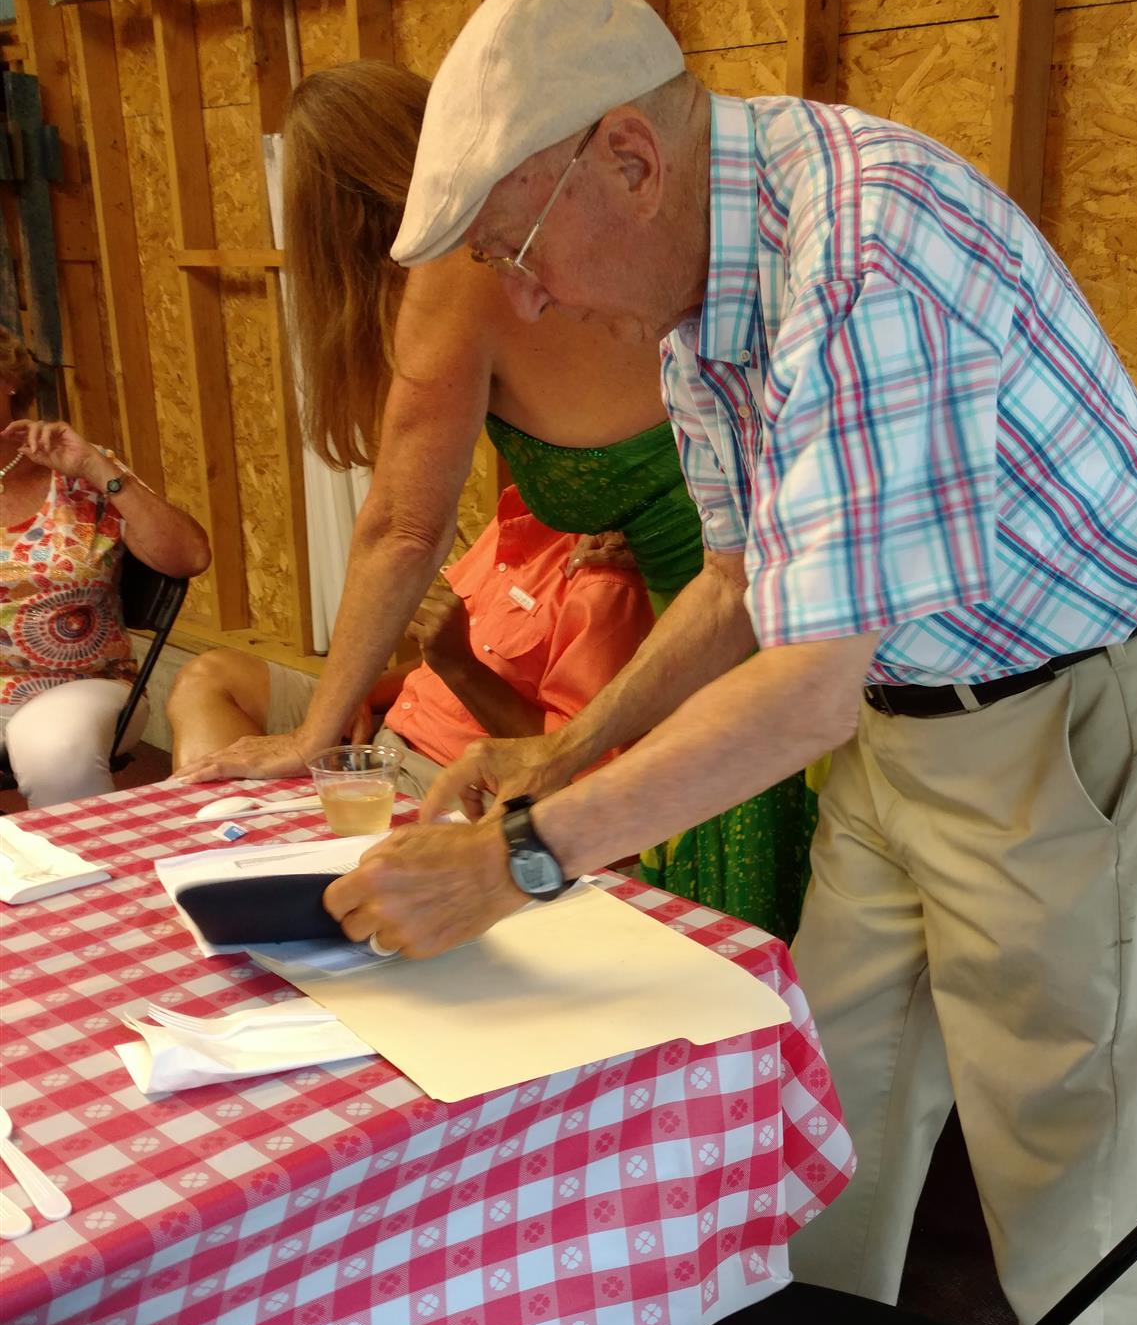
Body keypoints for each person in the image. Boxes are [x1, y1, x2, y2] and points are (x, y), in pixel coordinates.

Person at [324, 0, 1137, 1325]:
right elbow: (750, 577)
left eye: (524, 248)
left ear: (627, 158)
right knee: (830, 1108)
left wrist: (523, 861)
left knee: (1079, 1168)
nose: (529, 296)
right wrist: (564, 747)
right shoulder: (699, 294)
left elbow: (807, 684)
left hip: (1071, 709)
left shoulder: (863, 256)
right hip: (907, 708)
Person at [173, 61, 817, 942]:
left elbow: (404, 528)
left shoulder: (460, 273)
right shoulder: (534, 269)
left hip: (725, 651)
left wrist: (314, 734)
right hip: (722, 627)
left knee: (714, 943)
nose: (531, 292)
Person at [170, 486, 653, 793]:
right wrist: (354, 695)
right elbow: (437, 663)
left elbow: (578, 765)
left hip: (445, 779)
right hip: (384, 735)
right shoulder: (520, 514)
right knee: (212, 676)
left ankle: (237, 849)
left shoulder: (606, 576)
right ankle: (211, 841)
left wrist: (459, 666)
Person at [0, 328, 210, 808]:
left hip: (82, 685)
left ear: (8, 380)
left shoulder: (77, 475)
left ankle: (79, 857)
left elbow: (189, 557)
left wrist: (97, 469)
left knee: (54, 748)